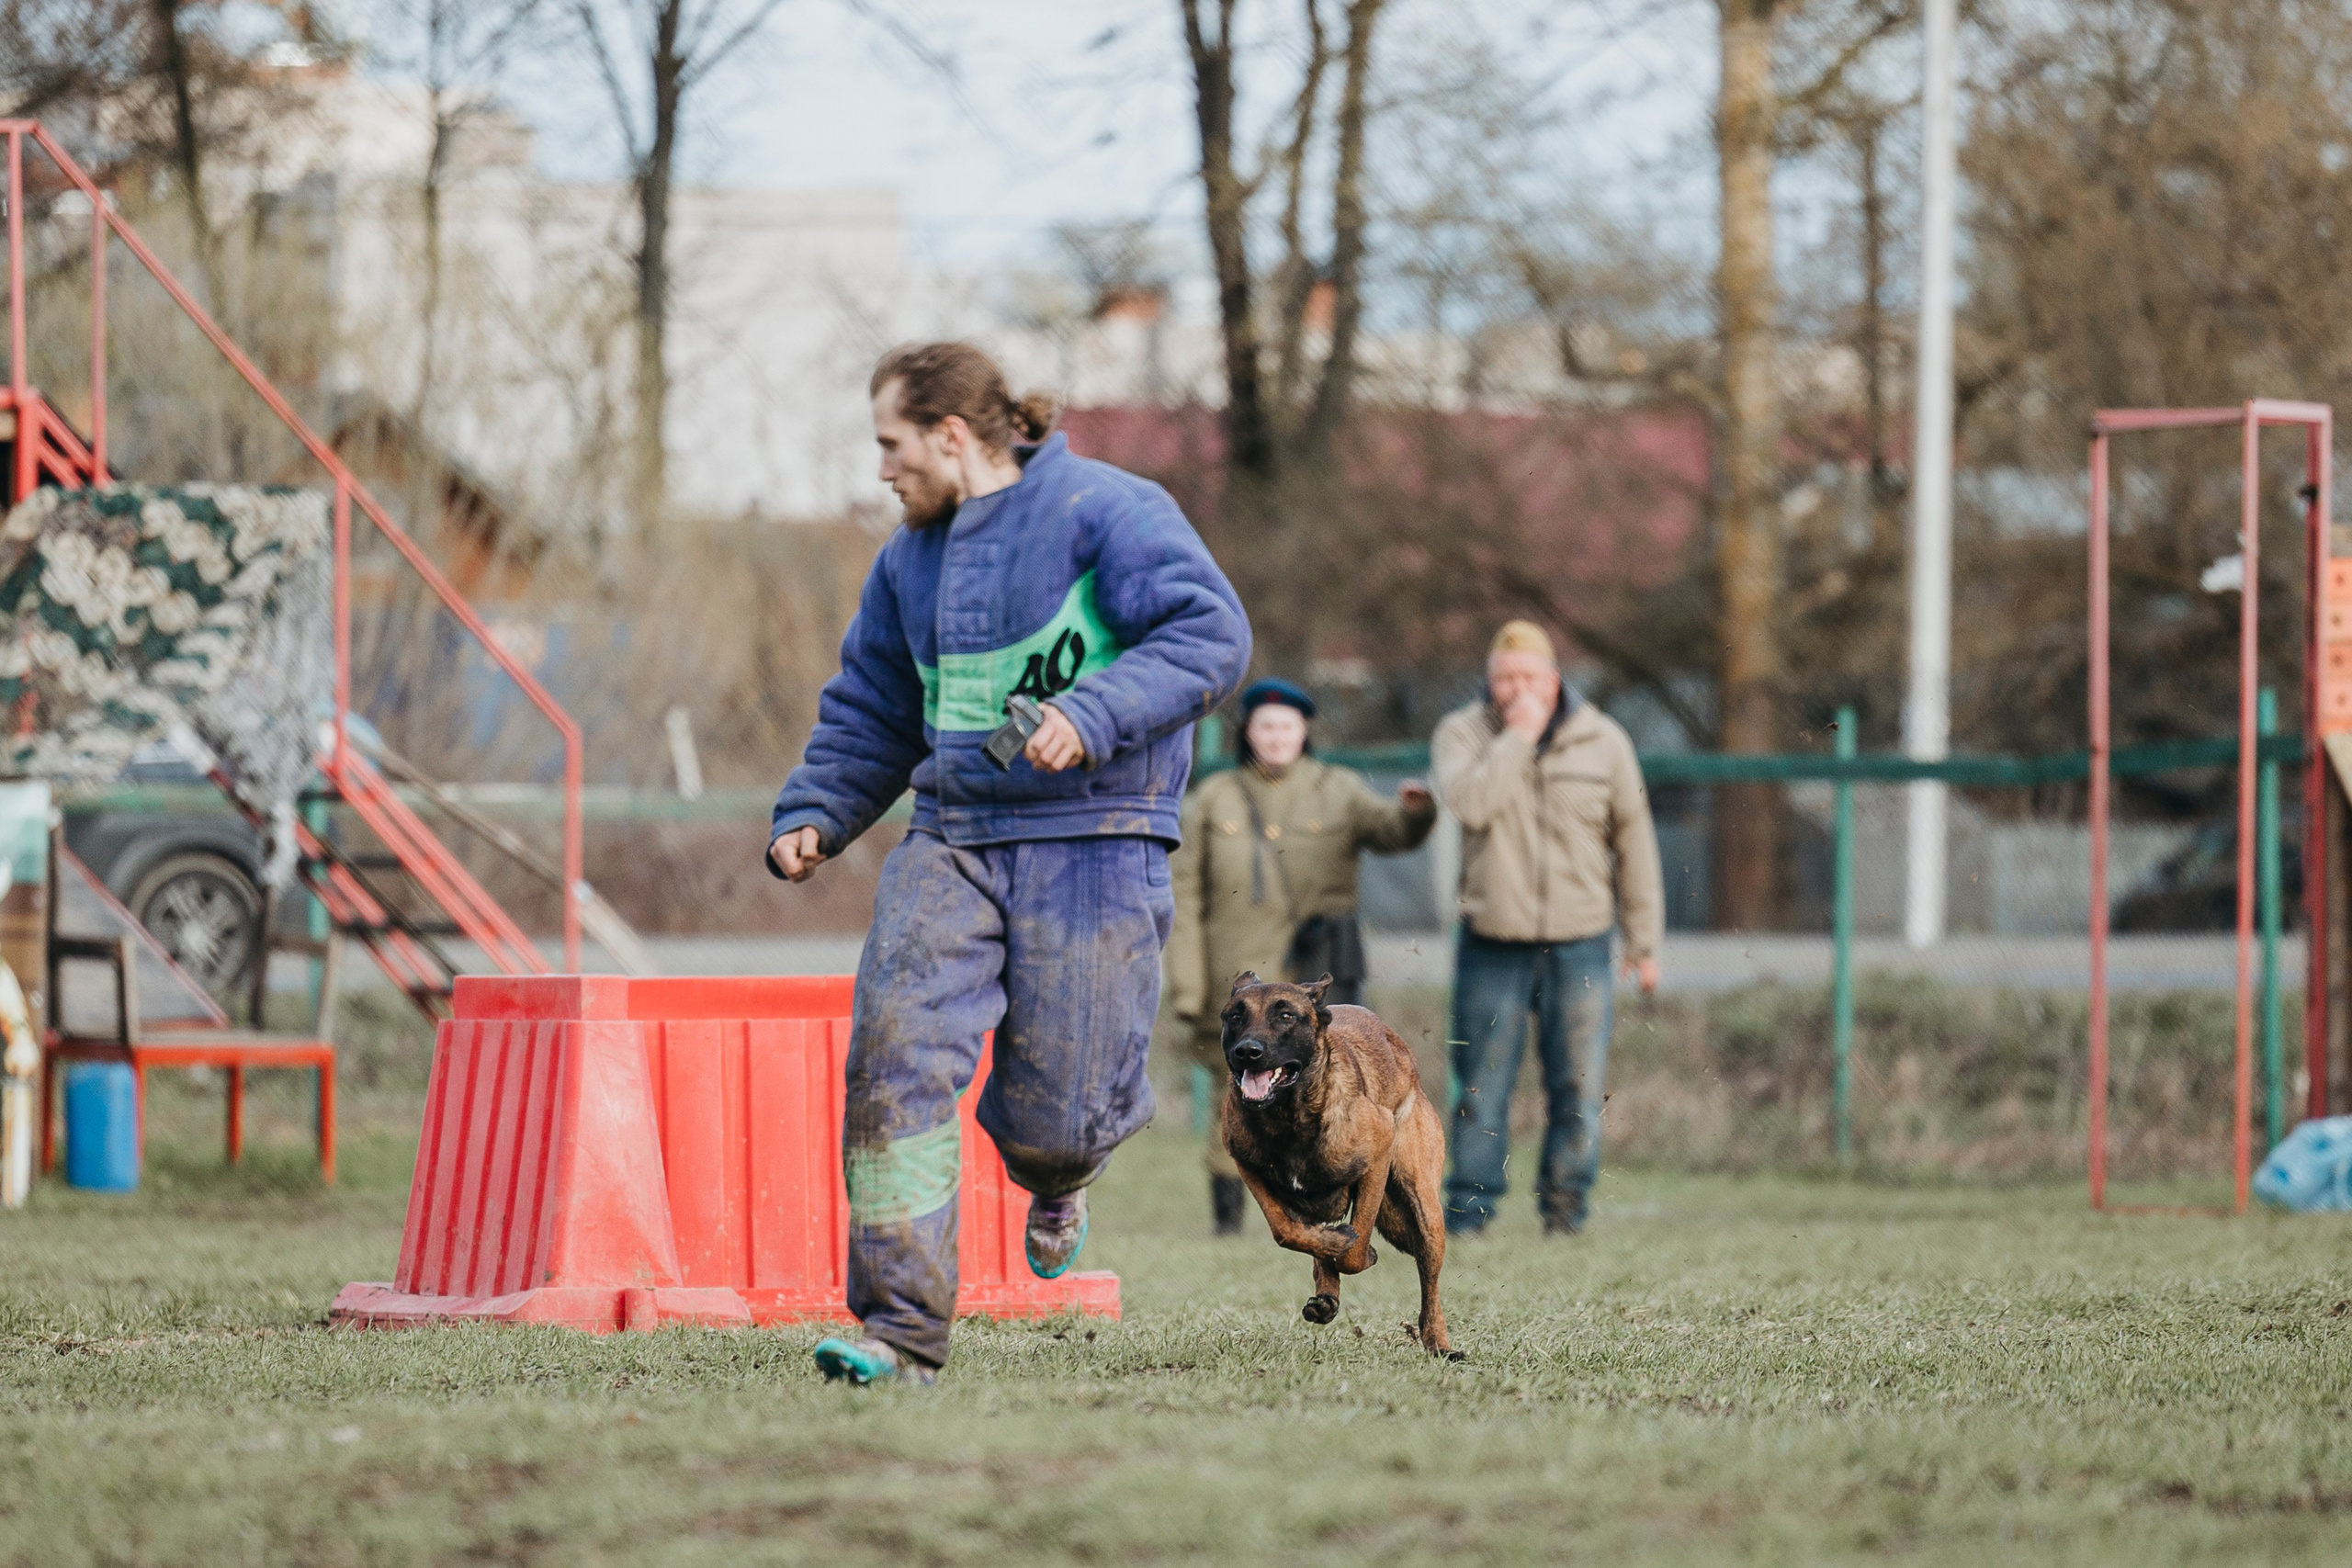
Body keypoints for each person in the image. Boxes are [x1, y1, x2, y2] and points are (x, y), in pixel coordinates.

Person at [767, 342, 1250, 1385]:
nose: (882, 470)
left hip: (1096, 840)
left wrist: (1092, 713)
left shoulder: (1105, 512)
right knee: (892, 1062)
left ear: (951, 436)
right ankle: (900, 1330)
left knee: (1057, 1121)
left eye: (891, 446)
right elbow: (874, 707)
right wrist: (818, 810)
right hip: (953, 838)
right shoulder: (907, 561)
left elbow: (1209, 635)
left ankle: (1062, 1176)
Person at [1163, 678, 1438, 1234]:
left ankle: (1350, 1204)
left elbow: (1391, 831)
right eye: (1265, 725)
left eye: (1287, 725)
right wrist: (1189, 987)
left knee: (1336, 1089)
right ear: (1248, 732)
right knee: (1235, 1093)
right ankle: (1230, 1219)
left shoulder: (1339, 789)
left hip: (1318, 970)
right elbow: (1182, 894)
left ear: (1304, 731)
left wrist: (1417, 814)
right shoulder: (1212, 799)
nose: (1276, 736)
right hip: (1239, 973)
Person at [1431, 620, 1662, 1237]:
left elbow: (1634, 839)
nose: (1516, 689)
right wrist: (1518, 737)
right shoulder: (1461, 733)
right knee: (1481, 1087)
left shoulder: (1604, 740)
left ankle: (1565, 1213)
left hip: (1581, 942)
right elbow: (1471, 804)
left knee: (1578, 1088)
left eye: (1528, 677)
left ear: (1555, 679)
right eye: (1504, 678)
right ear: (1489, 681)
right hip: (1490, 940)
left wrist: (1643, 942)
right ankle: (1469, 1215)